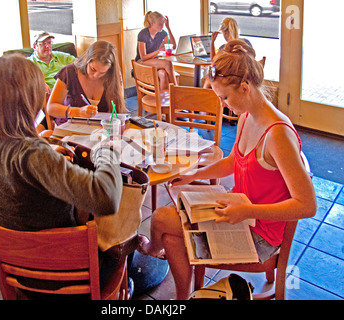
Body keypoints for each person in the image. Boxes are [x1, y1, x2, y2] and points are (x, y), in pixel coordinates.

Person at [138, 40, 316, 299]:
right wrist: (194, 174)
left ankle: (154, 253)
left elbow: (307, 205)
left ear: (245, 88)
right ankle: (182, 298)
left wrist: (247, 210)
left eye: (224, 97)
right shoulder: (247, 115)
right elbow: (233, 161)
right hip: (241, 214)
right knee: (173, 235)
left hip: (260, 235)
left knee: (163, 219)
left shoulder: (277, 135)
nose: (222, 104)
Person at [0, 54, 123, 292]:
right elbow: (106, 197)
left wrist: (46, 149)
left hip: (10, 266)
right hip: (68, 271)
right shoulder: (30, 154)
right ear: (26, 100)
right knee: (127, 247)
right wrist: (106, 150)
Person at [47, 40, 127, 126]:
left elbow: (119, 110)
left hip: (101, 131)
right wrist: (78, 112)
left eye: (102, 73)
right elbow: (51, 108)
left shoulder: (113, 77)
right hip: (70, 128)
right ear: (87, 60)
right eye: (93, 69)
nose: (95, 76)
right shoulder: (69, 72)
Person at [135, 11, 178, 90]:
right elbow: (143, 57)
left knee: (163, 74)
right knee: (168, 64)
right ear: (152, 23)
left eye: (163, 24)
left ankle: (163, 100)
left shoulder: (161, 33)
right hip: (141, 62)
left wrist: (168, 27)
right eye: (160, 24)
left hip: (154, 61)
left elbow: (173, 46)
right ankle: (177, 91)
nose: (162, 26)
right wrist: (159, 51)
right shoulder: (143, 34)